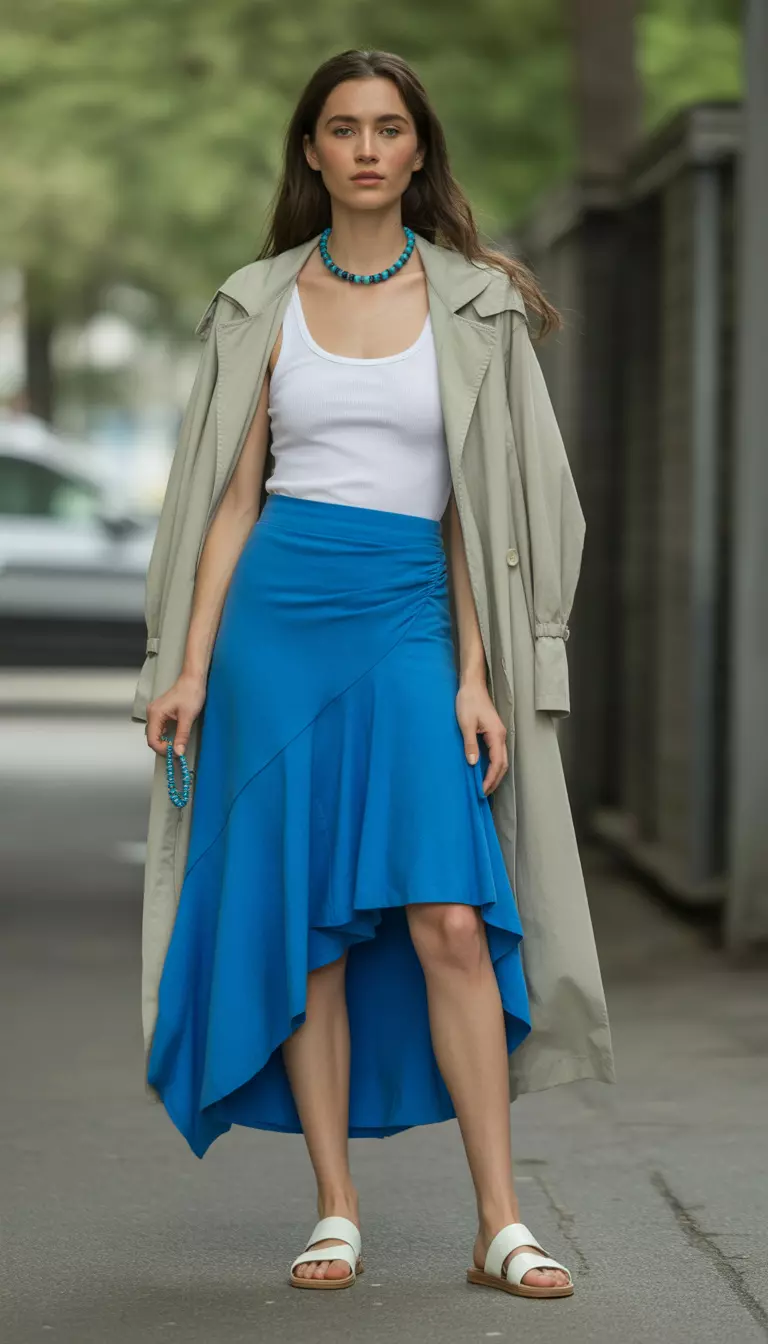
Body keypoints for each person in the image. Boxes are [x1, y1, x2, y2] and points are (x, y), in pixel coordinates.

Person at [140, 47, 608, 1302]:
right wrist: (189, 667)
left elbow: (478, 516)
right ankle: (335, 1209)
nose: (363, 147)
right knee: (313, 935)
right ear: (310, 150)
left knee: (452, 916)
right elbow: (231, 505)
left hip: (408, 618)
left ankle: (500, 1222)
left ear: (416, 151)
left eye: (387, 127)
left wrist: (475, 675)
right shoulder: (258, 301)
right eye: (340, 127)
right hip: (273, 633)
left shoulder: (478, 301)